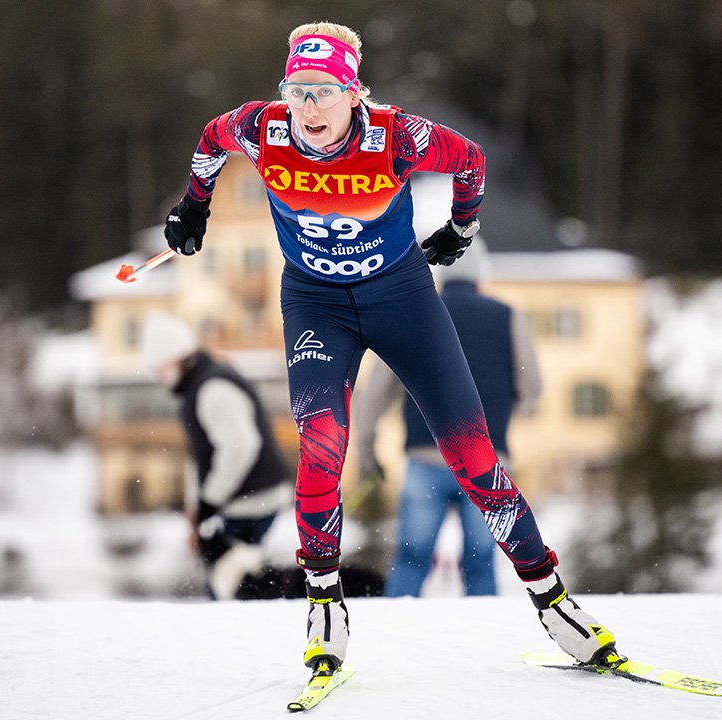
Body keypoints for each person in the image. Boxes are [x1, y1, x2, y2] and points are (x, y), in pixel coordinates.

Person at [161, 21, 623, 677]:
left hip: (401, 300)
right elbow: (210, 140)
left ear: (356, 95)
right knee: (322, 445)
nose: (309, 108)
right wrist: (194, 206)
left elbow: (471, 161)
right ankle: (324, 603)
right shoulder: (261, 129)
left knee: (474, 459)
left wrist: (461, 226)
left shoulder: (397, 135)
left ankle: (552, 600)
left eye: (325, 91)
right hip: (317, 304)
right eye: (298, 90)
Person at [354, 238, 542, 597]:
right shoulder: (507, 316)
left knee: (411, 559)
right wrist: (499, 417)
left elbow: (376, 392)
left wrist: (367, 447)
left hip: (426, 455)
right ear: (481, 272)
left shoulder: (413, 314)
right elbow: (531, 386)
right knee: (482, 562)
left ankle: (394, 635)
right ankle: (483, 640)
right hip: (488, 460)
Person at [139, 310, 292, 600]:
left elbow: (240, 446)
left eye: (158, 369)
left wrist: (209, 501)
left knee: (233, 590)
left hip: (251, 504)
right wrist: (199, 507)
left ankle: (239, 640)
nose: (159, 378)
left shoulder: (213, 388)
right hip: (240, 501)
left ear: (176, 359)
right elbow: (204, 456)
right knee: (236, 587)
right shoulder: (200, 386)